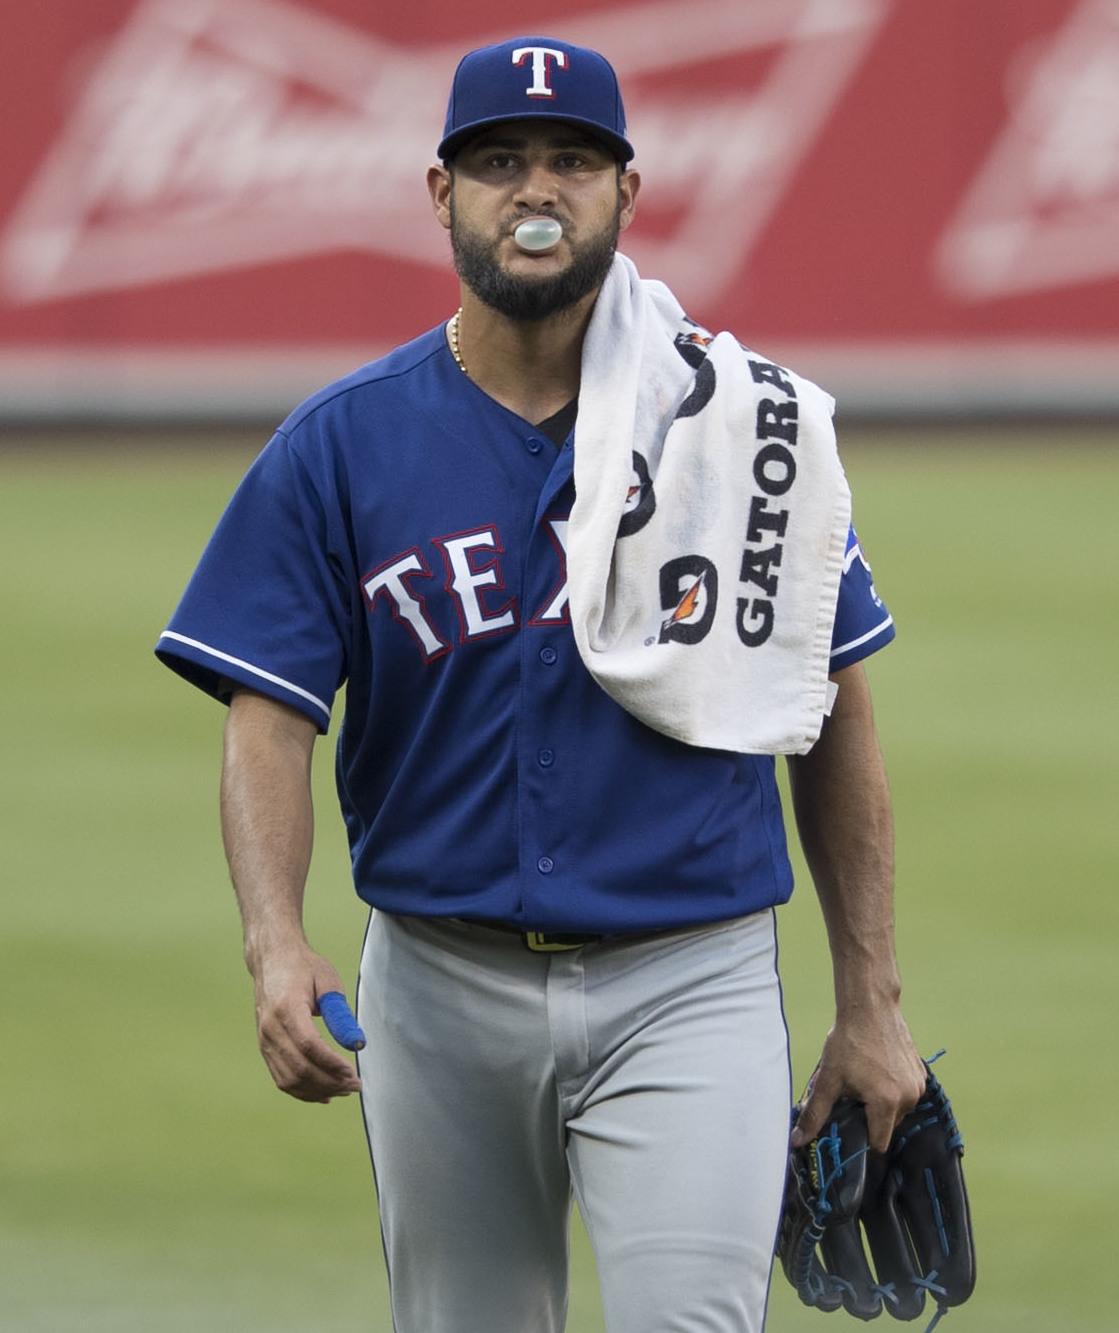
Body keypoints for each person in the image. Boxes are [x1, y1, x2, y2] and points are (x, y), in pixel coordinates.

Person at [157, 34, 926, 1333]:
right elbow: (270, 713)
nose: (536, 187)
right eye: (498, 159)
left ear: (627, 193)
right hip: (439, 985)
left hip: (692, 976)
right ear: (440, 193)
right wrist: (274, 940)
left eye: (574, 159)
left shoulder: (745, 431)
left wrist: (873, 1001)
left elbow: (831, 703)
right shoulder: (342, 445)